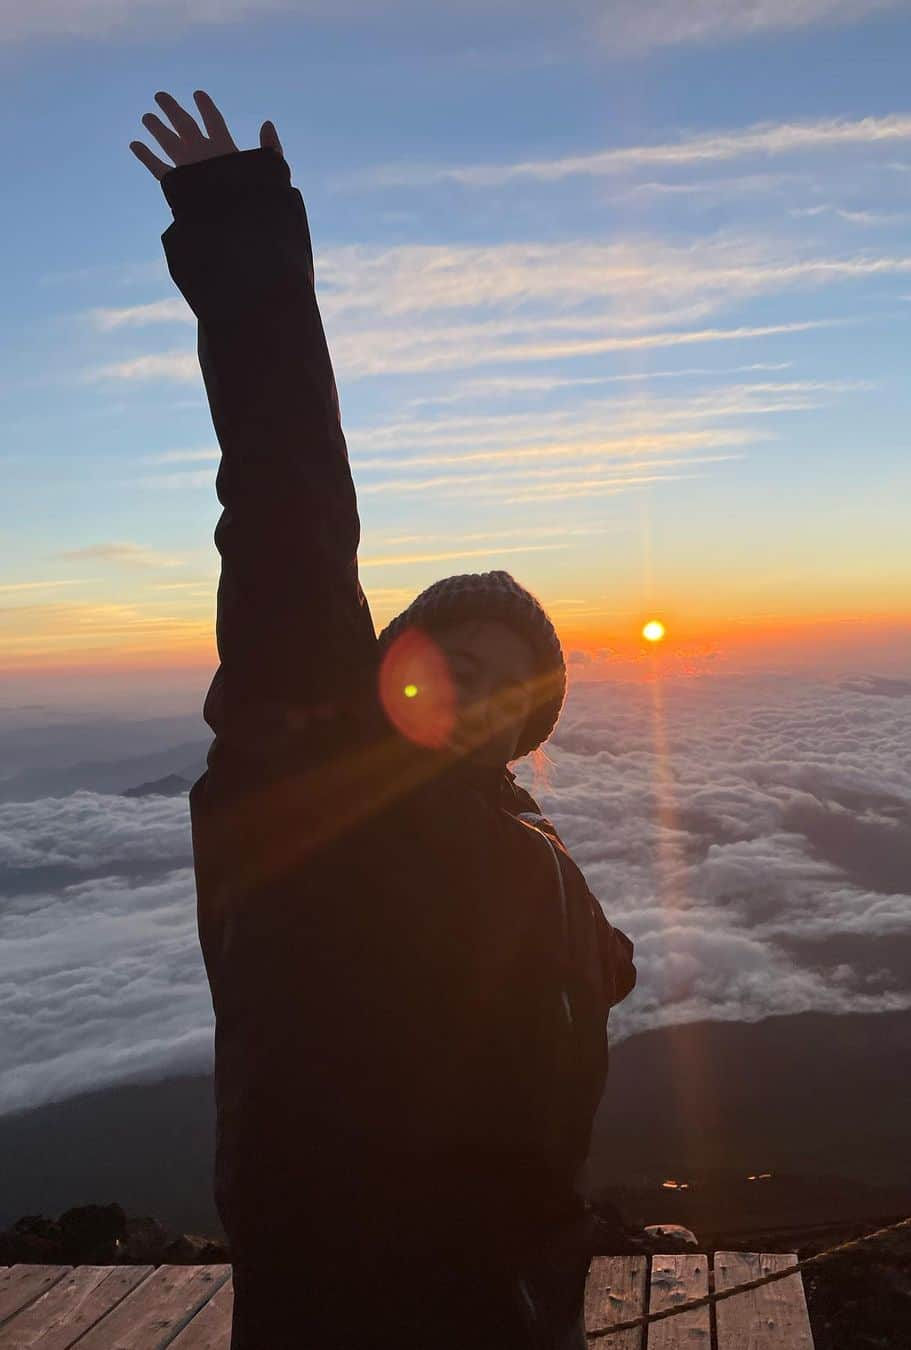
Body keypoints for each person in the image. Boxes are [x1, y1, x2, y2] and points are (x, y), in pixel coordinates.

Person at [130, 91, 637, 1349]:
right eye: (449, 658)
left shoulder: (514, 840)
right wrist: (244, 231)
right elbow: (287, 491)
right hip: (337, 1284)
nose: (474, 692)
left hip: (507, 1276)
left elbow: (571, 974)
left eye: (510, 687)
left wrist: (599, 962)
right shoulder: (308, 749)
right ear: (389, 667)